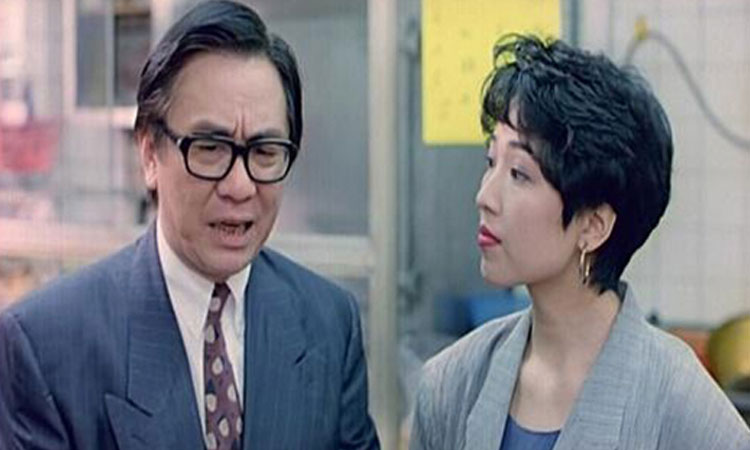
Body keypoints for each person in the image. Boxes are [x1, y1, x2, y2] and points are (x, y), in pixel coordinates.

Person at [0, 1, 380, 449]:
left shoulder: (329, 323)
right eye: (210, 149)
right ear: (149, 154)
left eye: (264, 152)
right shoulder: (46, 346)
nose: (240, 186)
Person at [410, 34, 750, 450]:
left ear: (593, 225)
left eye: (519, 174)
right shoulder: (451, 385)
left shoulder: (683, 407)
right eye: (490, 162)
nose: (485, 196)